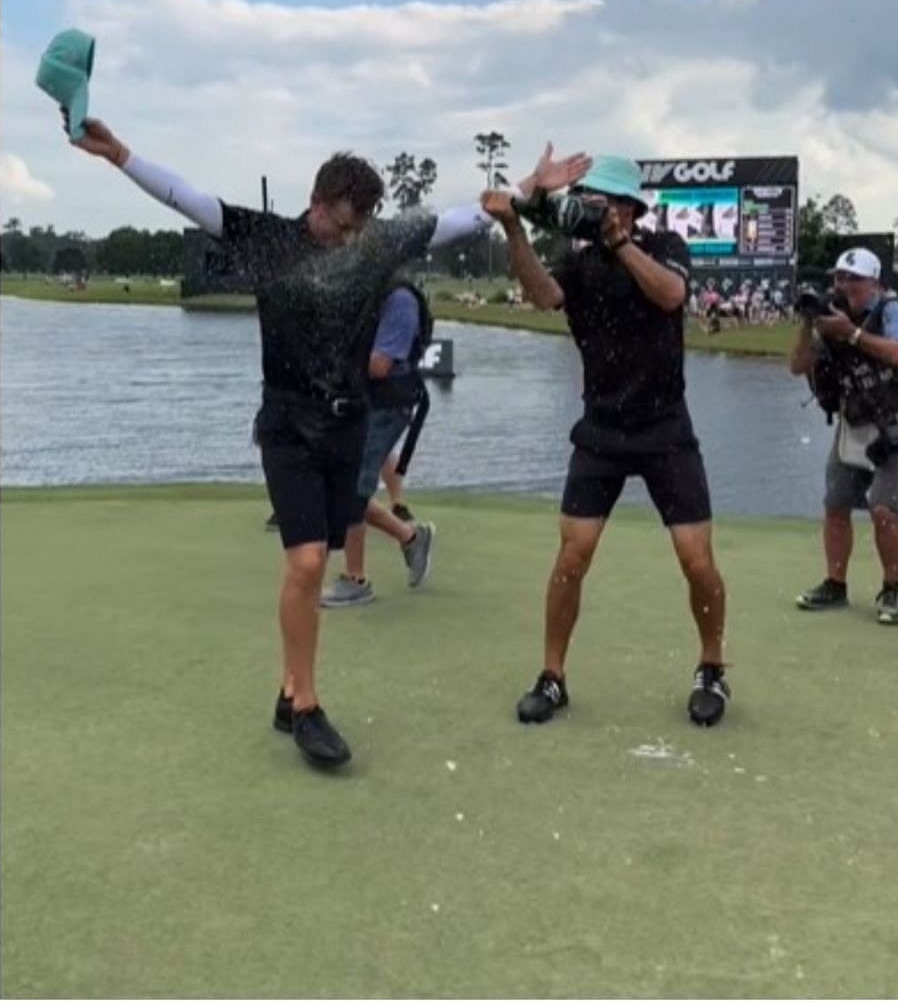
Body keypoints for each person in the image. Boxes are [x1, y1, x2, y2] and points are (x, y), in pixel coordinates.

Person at [65, 117, 586, 770]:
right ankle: (307, 707)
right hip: (287, 423)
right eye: (340, 223)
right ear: (315, 202)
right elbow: (185, 197)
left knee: (317, 560)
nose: (348, 238)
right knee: (308, 563)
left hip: (349, 425)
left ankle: (289, 690)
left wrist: (530, 186)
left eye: (358, 227)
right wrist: (119, 156)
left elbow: (464, 218)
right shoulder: (267, 238)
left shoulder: (372, 244)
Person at [483, 154, 731, 729]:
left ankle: (712, 667)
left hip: (665, 427)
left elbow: (670, 296)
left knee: (697, 561)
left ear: (626, 208)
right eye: (585, 201)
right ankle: (552, 676)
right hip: (601, 429)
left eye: (600, 201)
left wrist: (622, 245)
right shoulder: (580, 262)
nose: (591, 210)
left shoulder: (666, 246)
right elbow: (544, 295)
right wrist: (516, 227)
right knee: (571, 558)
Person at [789, 249, 898, 625]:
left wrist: (850, 334)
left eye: (853, 279)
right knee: (836, 503)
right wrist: (809, 323)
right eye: (839, 278)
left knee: (883, 507)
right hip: (856, 419)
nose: (844, 286)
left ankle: (893, 588)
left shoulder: (890, 310)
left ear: (874, 283)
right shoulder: (832, 314)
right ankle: (835, 584)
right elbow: (797, 366)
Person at [321, 279, 438, 607]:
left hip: (388, 404)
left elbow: (379, 364)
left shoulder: (400, 301)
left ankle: (356, 580)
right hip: (366, 401)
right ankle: (411, 537)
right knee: (345, 484)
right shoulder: (368, 293)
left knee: (355, 486)